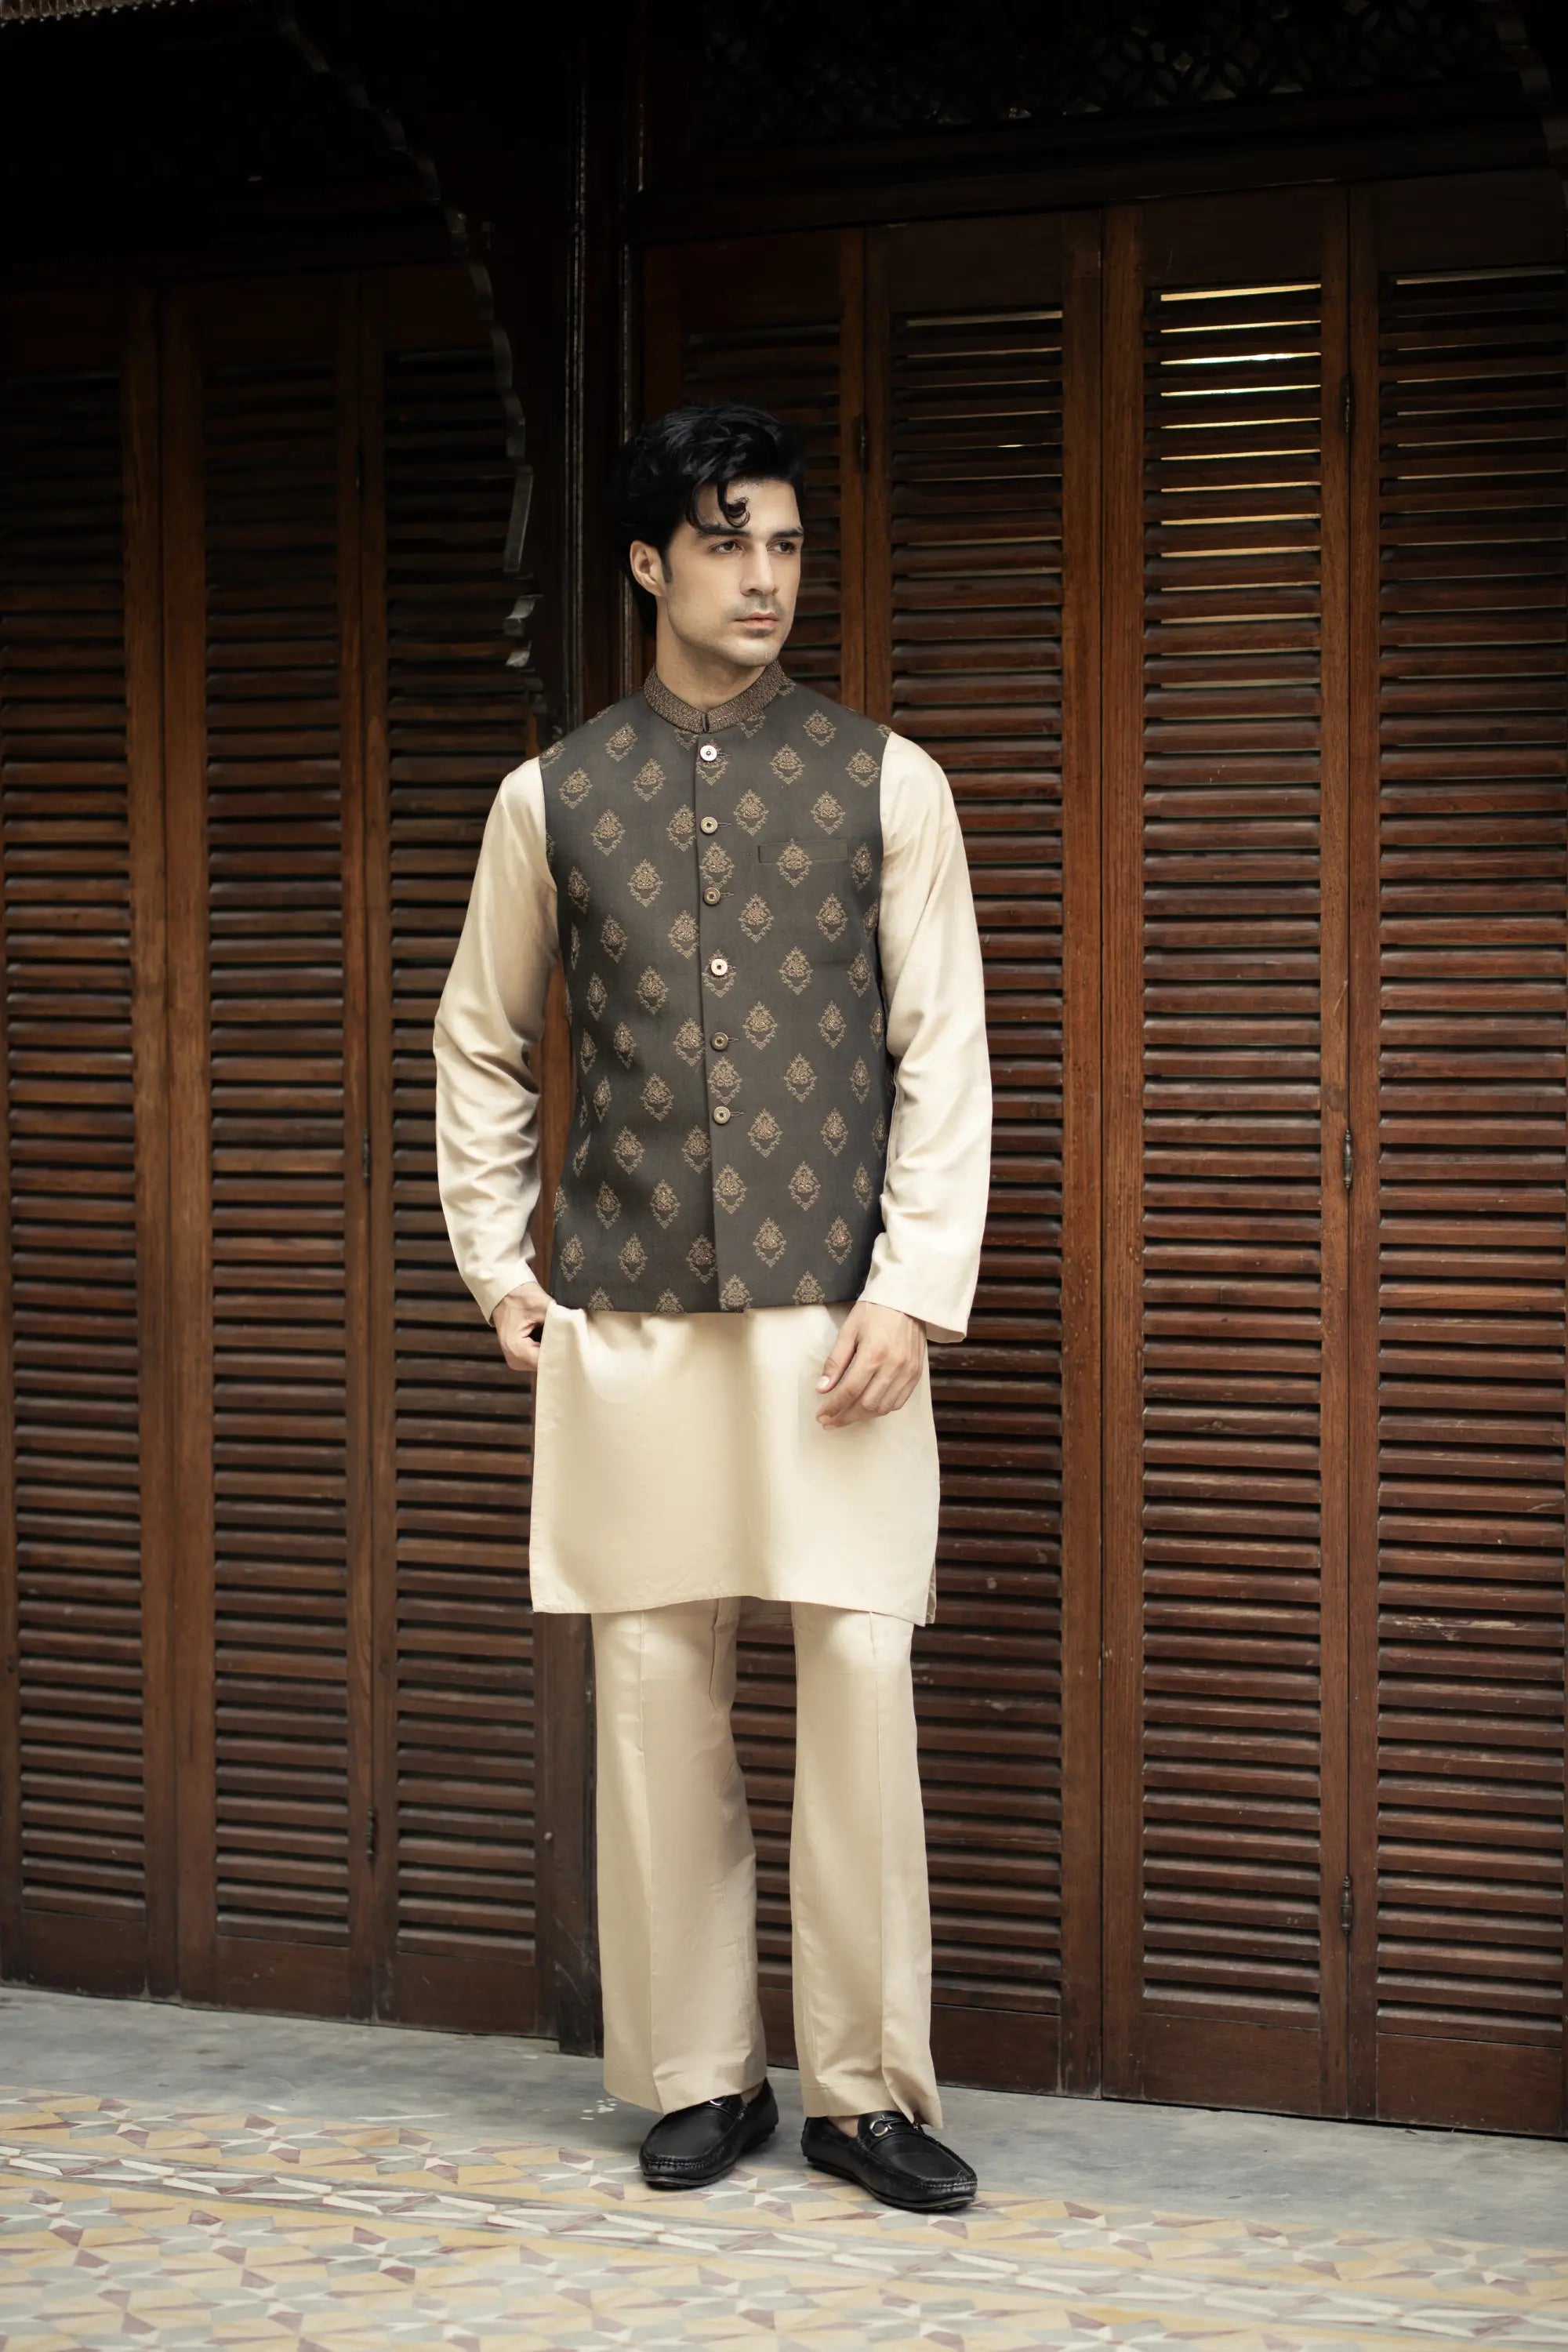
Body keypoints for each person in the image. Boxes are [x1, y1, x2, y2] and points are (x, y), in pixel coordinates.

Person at [433, 401, 992, 2212]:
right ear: (647, 562)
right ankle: (698, 2077)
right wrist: (500, 1268)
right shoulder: (550, 797)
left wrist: (913, 1289)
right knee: (654, 1686)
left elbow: (945, 1056)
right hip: (633, 1318)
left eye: (787, 545)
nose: (765, 576)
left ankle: (863, 2093)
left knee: (855, 1678)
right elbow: (479, 1039)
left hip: (844, 1321)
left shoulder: (888, 779)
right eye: (729, 539)